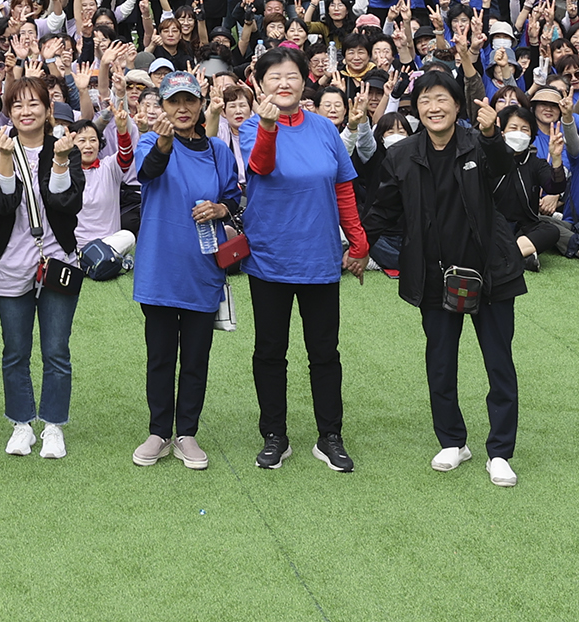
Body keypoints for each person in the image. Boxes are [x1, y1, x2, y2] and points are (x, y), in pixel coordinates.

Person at [361, 71, 525, 487]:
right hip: (433, 275)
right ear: (415, 109)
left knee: (499, 363)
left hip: (490, 273)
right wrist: (360, 247)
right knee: (440, 362)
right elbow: (383, 209)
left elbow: (506, 180)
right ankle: (452, 441)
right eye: (425, 101)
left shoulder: (480, 143)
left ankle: (500, 452)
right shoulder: (402, 155)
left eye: (441, 99)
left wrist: (492, 136)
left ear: (456, 105)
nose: (433, 108)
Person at [239, 46, 368, 472]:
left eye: (291, 75)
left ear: (304, 81)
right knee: (270, 351)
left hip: (319, 258)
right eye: (274, 77)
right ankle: (274, 435)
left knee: (324, 352)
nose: (284, 83)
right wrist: (268, 126)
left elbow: (343, 188)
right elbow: (260, 166)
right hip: (270, 259)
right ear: (260, 83)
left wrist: (358, 242)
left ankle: (330, 435)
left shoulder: (325, 128)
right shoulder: (251, 127)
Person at [130, 71, 239, 470]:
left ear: (200, 105)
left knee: (195, 358)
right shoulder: (150, 141)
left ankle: (187, 433)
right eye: (173, 101)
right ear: (161, 106)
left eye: (189, 101)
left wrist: (220, 208)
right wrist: (162, 143)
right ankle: (159, 432)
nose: (182, 108)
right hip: (159, 268)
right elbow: (148, 171)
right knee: (160, 356)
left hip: (202, 269)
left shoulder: (217, 151)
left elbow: (234, 197)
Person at [0, 76, 85, 459]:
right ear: (9, 111)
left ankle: (53, 426)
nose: (26, 112)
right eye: (18, 105)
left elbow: (65, 202)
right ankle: (22, 423)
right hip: (11, 264)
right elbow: (2, 204)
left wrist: (60, 159)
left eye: (33, 104)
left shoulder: (65, 146)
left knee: (56, 350)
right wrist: (6, 158)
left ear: (48, 108)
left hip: (56, 261)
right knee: (15, 350)